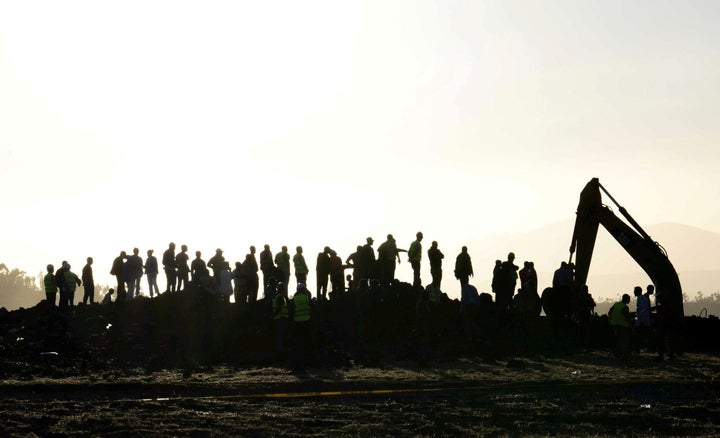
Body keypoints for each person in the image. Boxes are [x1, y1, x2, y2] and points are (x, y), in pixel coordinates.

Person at [608, 293, 632, 360]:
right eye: (629, 299)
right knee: (623, 340)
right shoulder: (625, 307)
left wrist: (611, 319)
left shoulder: (616, 304)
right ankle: (622, 355)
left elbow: (610, 312)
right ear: (626, 299)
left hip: (614, 324)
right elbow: (627, 317)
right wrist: (631, 325)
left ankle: (617, 353)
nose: (629, 301)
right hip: (622, 325)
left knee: (619, 339)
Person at [271, 282, 289, 354]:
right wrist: (273, 316)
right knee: (280, 335)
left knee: (280, 335)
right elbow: (279, 308)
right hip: (281, 318)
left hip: (280, 318)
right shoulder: (280, 297)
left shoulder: (278, 296)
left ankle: (279, 349)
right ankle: (279, 350)